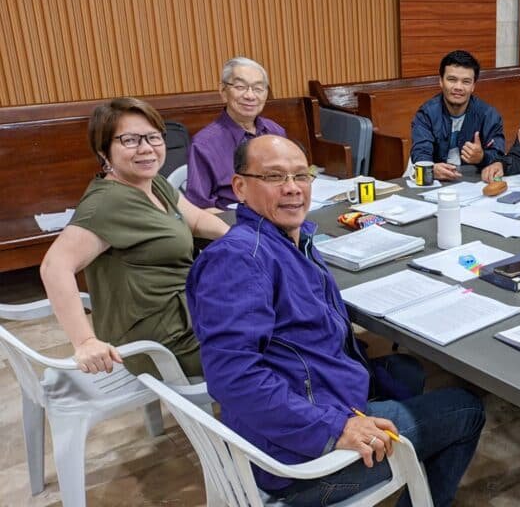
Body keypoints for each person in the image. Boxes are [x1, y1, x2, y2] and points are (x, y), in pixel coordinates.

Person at [186, 135, 485, 506]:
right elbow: (234, 378)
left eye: (301, 175)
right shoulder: (239, 261)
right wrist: (336, 428)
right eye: (275, 177)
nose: (293, 188)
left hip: (305, 406)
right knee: (466, 409)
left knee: (406, 372)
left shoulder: (287, 240)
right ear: (240, 187)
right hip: (298, 467)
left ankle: (407, 463)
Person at [39, 97, 229, 378]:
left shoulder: (153, 184)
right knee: (276, 341)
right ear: (104, 151)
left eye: (154, 137)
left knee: (276, 314)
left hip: (188, 313)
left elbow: (197, 219)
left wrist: (244, 240)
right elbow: (54, 267)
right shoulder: (107, 202)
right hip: (160, 341)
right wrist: (85, 341)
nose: (146, 148)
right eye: (130, 140)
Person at [185, 56, 286, 212]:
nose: (250, 96)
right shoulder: (204, 144)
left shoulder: (275, 131)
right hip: (233, 223)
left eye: (258, 88)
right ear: (223, 91)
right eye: (240, 87)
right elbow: (198, 208)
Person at [410, 50, 505, 181]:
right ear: (441, 82)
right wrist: (431, 169)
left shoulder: (488, 115)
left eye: (466, 81)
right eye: (452, 80)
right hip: (435, 183)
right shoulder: (427, 114)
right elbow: (420, 153)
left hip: (472, 183)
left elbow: (499, 155)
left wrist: (482, 157)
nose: (458, 87)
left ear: (473, 86)